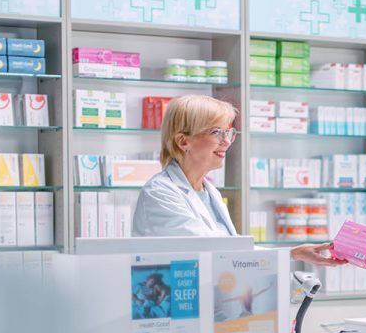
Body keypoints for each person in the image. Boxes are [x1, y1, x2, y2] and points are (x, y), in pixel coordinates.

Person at [132, 94, 342, 267]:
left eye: (229, 132)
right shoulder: (160, 192)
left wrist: (294, 253)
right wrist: (289, 255)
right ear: (183, 141)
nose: (226, 141)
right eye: (216, 132)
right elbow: (212, 249)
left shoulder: (208, 190)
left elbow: (229, 249)